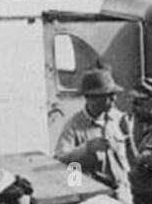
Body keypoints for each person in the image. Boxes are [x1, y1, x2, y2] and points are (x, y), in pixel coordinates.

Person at [55, 67, 130, 195]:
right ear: (91, 98)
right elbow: (60, 159)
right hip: (95, 195)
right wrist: (87, 148)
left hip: (123, 190)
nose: (114, 99)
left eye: (114, 95)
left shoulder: (119, 119)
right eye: (109, 96)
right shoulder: (74, 126)